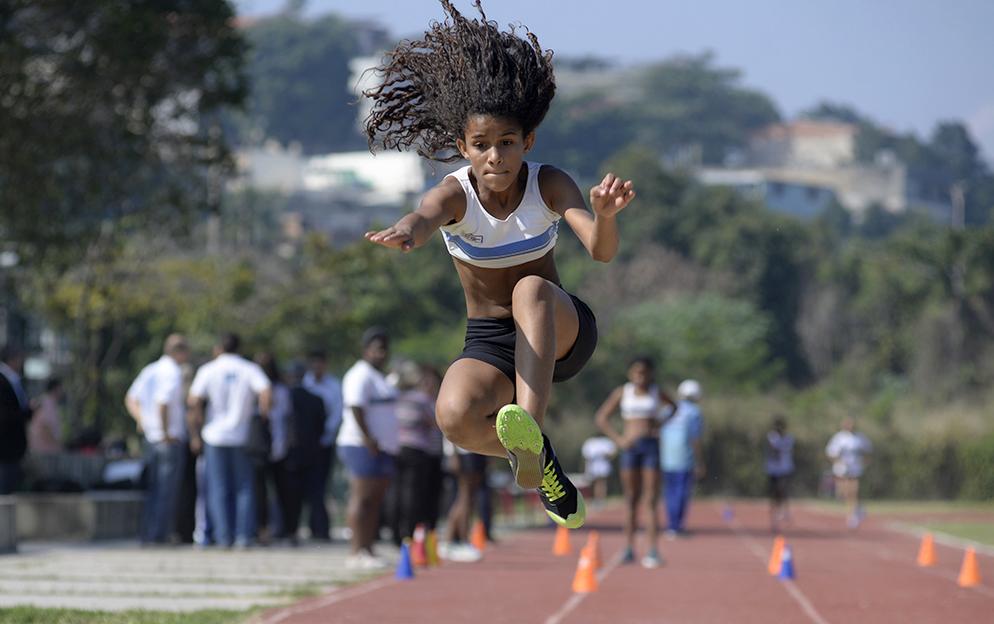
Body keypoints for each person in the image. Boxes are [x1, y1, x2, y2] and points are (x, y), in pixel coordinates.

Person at [362, 0, 636, 530]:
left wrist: (603, 215)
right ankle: (538, 461)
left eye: (507, 144)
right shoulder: (454, 195)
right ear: (462, 147)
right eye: (482, 145)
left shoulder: (548, 182)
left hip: (559, 331)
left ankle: (530, 430)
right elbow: (424, 215)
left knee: (530, 288)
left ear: (526, 142)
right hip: (489, 340)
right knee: (453, 416)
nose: (496, 157)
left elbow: (601, 252)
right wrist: (407, 232)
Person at [187, 333, 272, 548]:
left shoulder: (209, 369)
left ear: (218, 347)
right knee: (244, 488)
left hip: (214, 436)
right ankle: (244, 536)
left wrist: (196, 427)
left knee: (218, 489)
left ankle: (223, 536)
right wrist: (262, 416)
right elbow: (266, 391)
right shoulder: (249, 368)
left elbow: (193, 399)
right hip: (242, 435)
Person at [595, 357, 675, 567]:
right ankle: (629, 548)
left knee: (650, 500)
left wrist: (661, 424)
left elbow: (674, 407)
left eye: (644, 372)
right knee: (631, 498)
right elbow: (602, 417)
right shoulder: (623, 392)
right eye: (636, 372)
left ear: (651, 373)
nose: (641, 376)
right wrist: (619, 439)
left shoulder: (657, 392)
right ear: (630, 374)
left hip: (651, 447)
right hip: (630, 449)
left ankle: (652, 550)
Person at [337, 328, 398, 569]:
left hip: (382, 447)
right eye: (377, 349)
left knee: (374, 501)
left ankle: (368, 549)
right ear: (366, 351)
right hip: (361, 444)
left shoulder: (380, 377)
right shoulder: (358, 375)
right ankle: (355, 552)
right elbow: (355, 408)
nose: (382, 353)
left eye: (385, 349)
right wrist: (368, 438)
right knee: (361, 498)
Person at [125, 334, 191, 544]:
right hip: (166, 439)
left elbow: (130, 398)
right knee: (166, 491)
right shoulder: (172, 372)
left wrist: (142, 420)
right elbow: (163, 403)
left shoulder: (150, 369)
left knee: (153, 489)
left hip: (151, 438)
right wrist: (164, 432)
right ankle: (158, 535)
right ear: (180, 351)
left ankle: (149, 533)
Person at [390, 361, 444, 545]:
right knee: (413, 494)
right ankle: (409, 533)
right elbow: (435, 423)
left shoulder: (398, 398)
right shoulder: (422, 400)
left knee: (398, 492)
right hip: (419, 451)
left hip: (399, 448)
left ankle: (398, 533)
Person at [278, 362, 327, 545]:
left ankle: (290, 530)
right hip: (312, 452)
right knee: (316, 494)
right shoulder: (315, 399)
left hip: (290, 454)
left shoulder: (286, 398)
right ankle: (320, 530)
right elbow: (321, 426)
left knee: (291, 497)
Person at [302, 349, 343, 542]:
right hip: (304, 443)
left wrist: (325, 435)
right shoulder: (304, 384)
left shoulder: (333, 386)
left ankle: (320, 526)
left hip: (324, 442)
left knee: (320, 486)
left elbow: (336, 414)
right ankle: (313, 525)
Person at [660, 379, 704, 538]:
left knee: (669, 492)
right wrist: (700, 461)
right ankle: (676, 525)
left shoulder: (668, 408)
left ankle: (671, 524)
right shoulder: (694, 412)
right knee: (681, 493)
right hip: (685, 458)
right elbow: (695, 438)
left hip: (666, 458)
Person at [826, 417, 872, 529]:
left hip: (855, 469)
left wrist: (864, 463)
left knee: (853, 491)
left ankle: (852, 517)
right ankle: (859, 508)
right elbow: (831, 453)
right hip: (841, 469)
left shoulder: (860, 438)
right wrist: (839, 462)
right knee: (843, 493)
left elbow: (868, 451)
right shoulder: (839, 438)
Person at [0, 345, 30, 494]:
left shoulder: (14, 380)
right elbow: (5, 414)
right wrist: (27, 413)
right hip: (6, 447)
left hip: (13, 448)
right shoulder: (3, 380)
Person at [765, 415, 794, 534]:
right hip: (773, 469)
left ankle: (785, 511)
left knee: (783, 490)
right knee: (773, 495)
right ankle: (773, 520)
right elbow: (772, 450)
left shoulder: (789, 438)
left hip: (785, 469)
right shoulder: (771, 437)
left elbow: (787, 450)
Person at [30, 378, 64, 454]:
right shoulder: (48, 403)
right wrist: (58, 446)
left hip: (43, 450)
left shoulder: (46, 401)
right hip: (45, 451)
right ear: (56, 388)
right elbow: (45, 428)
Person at [581, 435, 616, 507]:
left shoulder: (606, 441)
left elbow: (612, 453)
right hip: (593, 466)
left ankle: (600, 500)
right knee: (594, 483)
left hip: (603, 466)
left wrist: (604, 455)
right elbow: (586, 455)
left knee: (601, 483)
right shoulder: (590, 442)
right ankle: (595, 499)